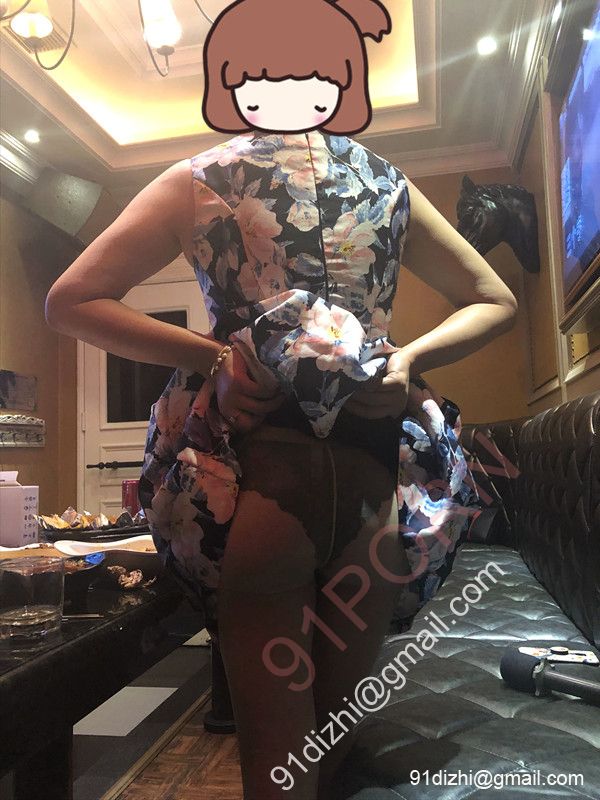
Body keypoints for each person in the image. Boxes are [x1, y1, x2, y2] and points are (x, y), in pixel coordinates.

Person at [45, 3, 518, 799]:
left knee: (277, 771)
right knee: (329, 749)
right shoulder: (388, 182)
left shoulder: (200, 179)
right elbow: (494, 298)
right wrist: (408, 359)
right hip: (375, 480)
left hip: (254, 475)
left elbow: (69, 300)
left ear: (232, 81)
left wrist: (213, 356)